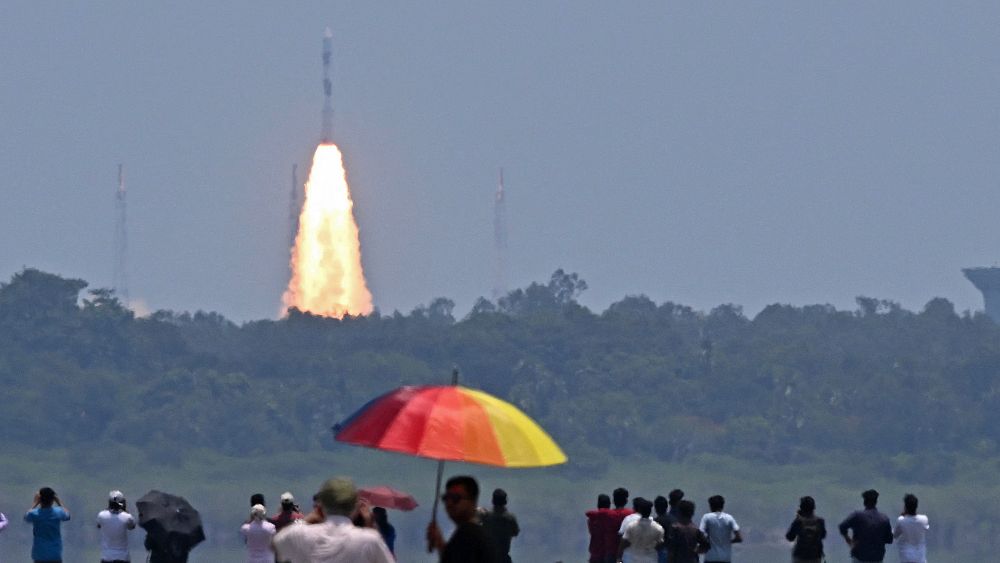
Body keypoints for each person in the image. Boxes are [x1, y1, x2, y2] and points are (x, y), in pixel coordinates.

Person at [272, 476, 393, 563]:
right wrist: (368, 524)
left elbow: (277, 543)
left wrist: (309, 519)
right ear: (355, 508)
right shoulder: (369, 540)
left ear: (320, 506)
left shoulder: (299, 535)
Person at [426, 475, 497, 563]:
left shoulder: (467, 534)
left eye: (455, 498)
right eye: (446, 498)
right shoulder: (474, 533)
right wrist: (440, 543)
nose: (449, 503)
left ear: (472, 502)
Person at [838, 489, 893, 563]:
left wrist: (849, 540)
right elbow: (889, 540)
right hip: (877, 558)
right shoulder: (884, 519)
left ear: (864, 502)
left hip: (860, 557)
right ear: (876, 502)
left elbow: (842, 526)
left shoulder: (857, 516)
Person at [24, 487, 71, 563]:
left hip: (39, 554)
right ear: (52, 500)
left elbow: (26, 517)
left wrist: (35, 503)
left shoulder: (34, 514)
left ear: (40, 500)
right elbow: (67, 515)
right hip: (55, 554)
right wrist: (58, 502)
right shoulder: (58, 512)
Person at [618, 498, 664, 563]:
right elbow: (660, 544)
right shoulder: (658, 528)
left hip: (631, 558)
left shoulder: (631, 526)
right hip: (650, 559)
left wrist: (619, 558)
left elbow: (623, 542)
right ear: (650, 511)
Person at [699, 495, 742, 563]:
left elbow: (700, 533)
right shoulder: (729, 518)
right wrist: (728, 541)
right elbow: (739, 538)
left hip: (710, 558)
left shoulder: (707, 517)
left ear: (711, 506)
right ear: (723, 506)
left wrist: (706, 543)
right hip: (725, 558)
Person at [481, 488, 520, 563]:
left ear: (493, 501)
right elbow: (515, 532)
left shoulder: (486, 516)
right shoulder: (510, 518)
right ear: (505, 501)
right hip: (503, 558)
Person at [97, 490, 136, 563]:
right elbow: (132, 526)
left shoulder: (102, 515)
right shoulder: (127, 517)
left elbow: (99, 525)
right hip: (123, 557)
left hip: (107, 557)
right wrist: (124, 511)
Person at [785, 496, 826, 563]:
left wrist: (797, 518)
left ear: (801, 508)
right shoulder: (820, 521)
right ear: (814, 507)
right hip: (815, 557)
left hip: (800, 557)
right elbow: (823, 536)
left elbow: (790, 537)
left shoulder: (798, 521)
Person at [893, 494, 929, 563]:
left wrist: (903, 516)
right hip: (920, 557)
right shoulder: (924, 519)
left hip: (906, 557)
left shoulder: (901, 520)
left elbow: (895, 535)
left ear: (905, 507)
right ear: (916, 506)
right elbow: (925, 528)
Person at [607, 488, 634, 563]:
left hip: (611, 552)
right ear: (626, 501)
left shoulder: (608, 515)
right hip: (627, 553)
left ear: (613, 501)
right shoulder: (631, 515)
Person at [586, 494, 613, 563]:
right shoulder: (611, 518)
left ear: (598, 505)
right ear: (609, 505)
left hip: (595, 552)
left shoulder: (592, 519)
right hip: (608, 554)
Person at [652, 496, 676, 563]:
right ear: (666, 507)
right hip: (672, 551)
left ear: (655, 508)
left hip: (660, 551)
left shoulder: (656, 521)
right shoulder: (673, 519)